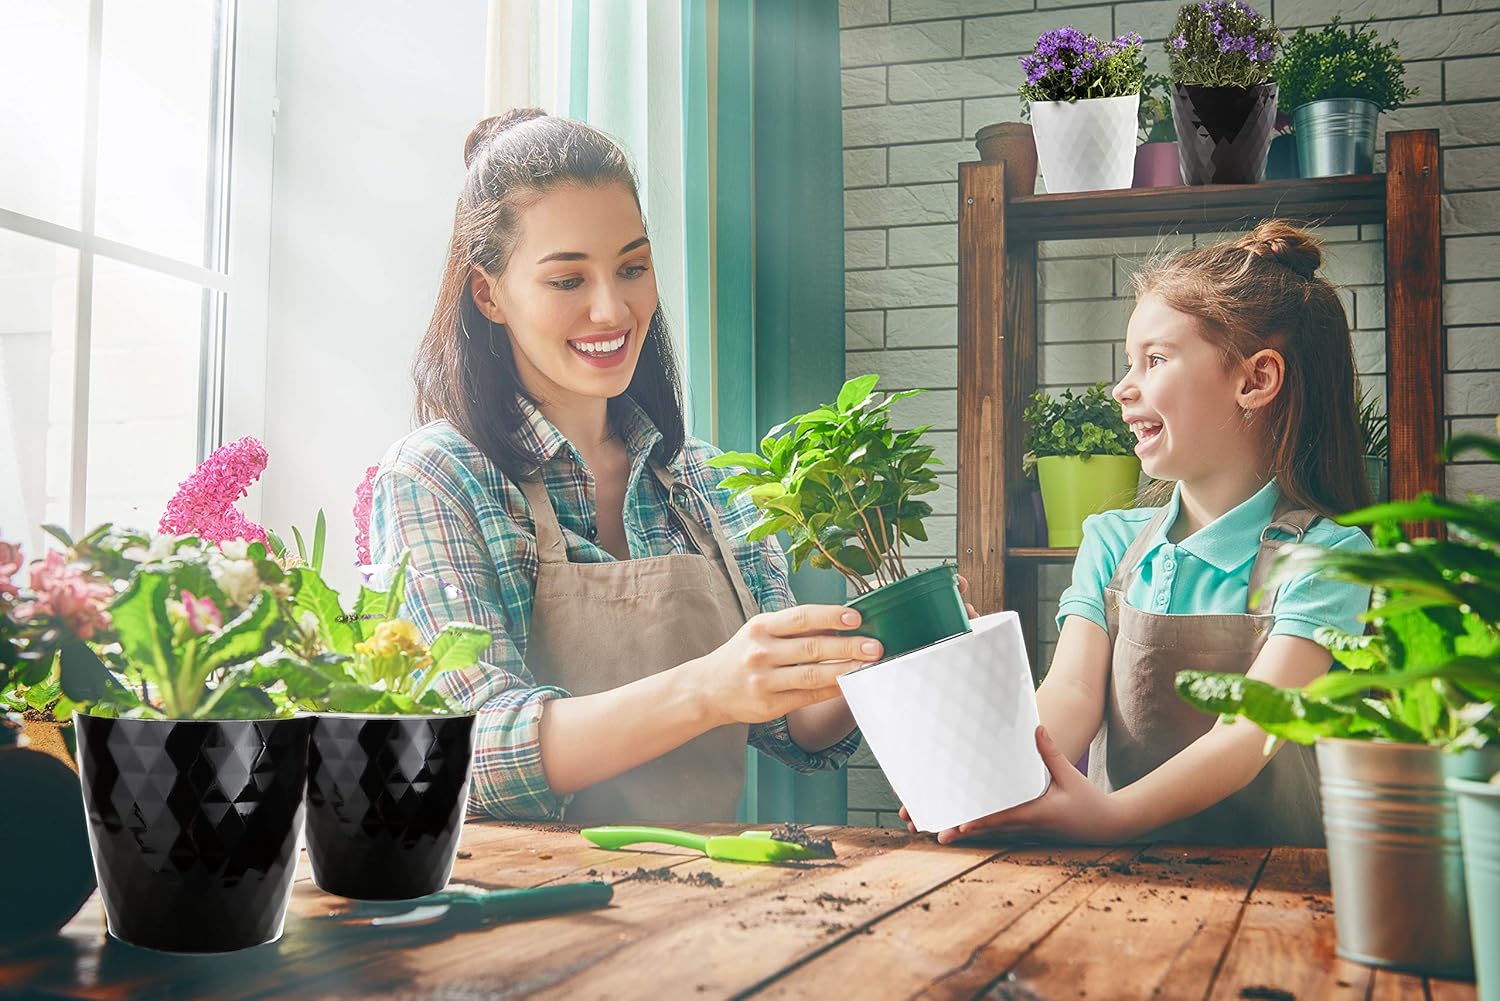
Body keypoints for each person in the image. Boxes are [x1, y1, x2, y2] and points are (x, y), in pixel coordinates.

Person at [369, 109, 885, 823]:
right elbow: (463, 751)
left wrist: (874, 657)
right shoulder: (436, 478)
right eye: (567, 280)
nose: (612, 309)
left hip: (700, 897)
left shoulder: (706, 482)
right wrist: (705, 688)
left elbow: (785, 725)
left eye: (631, 268)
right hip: (521, 910)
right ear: (489, 294)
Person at [908, 220, 1375, 847]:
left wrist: (1111, 817)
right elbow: (1071, 691)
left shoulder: (1326, 559)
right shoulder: (1111, 542)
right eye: (1130, 363)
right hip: (1121, 879)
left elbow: (1251, 732)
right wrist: (993, 781)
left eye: (1153, 360)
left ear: (1256, 380)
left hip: (1276, 890)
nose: (1121, 388)